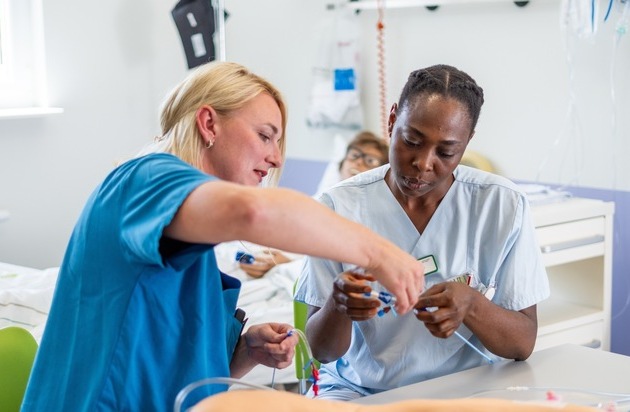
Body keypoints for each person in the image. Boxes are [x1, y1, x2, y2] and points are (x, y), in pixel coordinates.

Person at [21, 62, 424, 411]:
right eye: (265, 135)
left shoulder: (192, 244)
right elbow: (253, 212)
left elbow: (189, 374)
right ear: (209, 123)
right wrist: (379, 253)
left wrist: (247, 351)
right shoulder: (145, 178)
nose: (276, 158)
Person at [294, 64, 550, 400]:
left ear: (467, 142)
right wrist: (338, 305)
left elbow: (521, 344)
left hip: (464, 391)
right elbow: (322, 351)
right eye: (411, 141)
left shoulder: (501, 205)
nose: (423, 163)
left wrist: (472, 304)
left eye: (446, 152)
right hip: (358, 390)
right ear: (392, 121)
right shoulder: (338, 207)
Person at [236, 131, 389, 279]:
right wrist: (257, 259)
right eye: (354, 155)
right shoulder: (313, 204)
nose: (359, 162)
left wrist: (286, 260)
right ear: (341, 164)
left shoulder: (372, 219)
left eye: (370, 161)